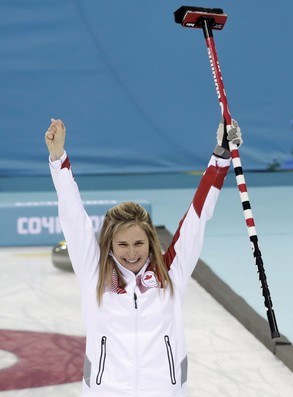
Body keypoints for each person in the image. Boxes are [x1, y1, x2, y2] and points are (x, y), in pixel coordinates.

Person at [45, 118, 242, 397]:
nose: (132, 252)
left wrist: (221, 157)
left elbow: (198, 216)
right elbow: (73, 217)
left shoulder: (170, 271)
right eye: (122, 244)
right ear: (109, 244)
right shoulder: (95, 273)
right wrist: (58, 158)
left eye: (139, 242)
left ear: (150, 240)